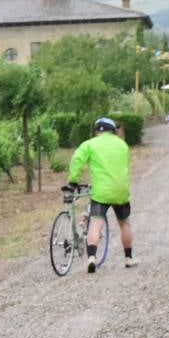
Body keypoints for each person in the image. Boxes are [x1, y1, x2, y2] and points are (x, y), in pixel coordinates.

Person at [68, 116, 135, 271]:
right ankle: (128, 258)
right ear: (113, 131)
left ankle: (92, 257)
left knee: (96, 223)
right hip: (120, 190)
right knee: (124, 223)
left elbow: (76, 159)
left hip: (101, 192)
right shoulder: (122, 145)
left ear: (97, 130)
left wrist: (73, 180)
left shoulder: (90, 144)